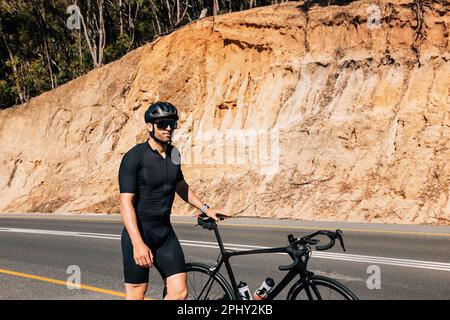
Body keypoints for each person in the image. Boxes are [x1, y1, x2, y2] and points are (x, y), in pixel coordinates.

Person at [118, 101, 228, 300]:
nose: (168, 128)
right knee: (136, 295)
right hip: (140, 232)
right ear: (149, 126)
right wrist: (138, 243)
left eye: (172, 124)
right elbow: (125, 203)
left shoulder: (174, 153)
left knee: (179, 292)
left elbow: (181, 185)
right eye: (162, 124)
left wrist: (206, 208)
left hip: (165, 233)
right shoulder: (134, 157)